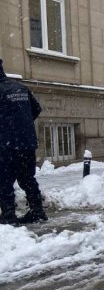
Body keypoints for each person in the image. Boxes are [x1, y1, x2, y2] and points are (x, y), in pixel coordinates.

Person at [0, 58, 47, 225]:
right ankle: (38, 212)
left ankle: (8, 217)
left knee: (4, 181)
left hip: (6, 144)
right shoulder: (21, 87)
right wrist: (22, 125)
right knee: (27, 178)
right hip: (26, 142)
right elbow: (37, 109)